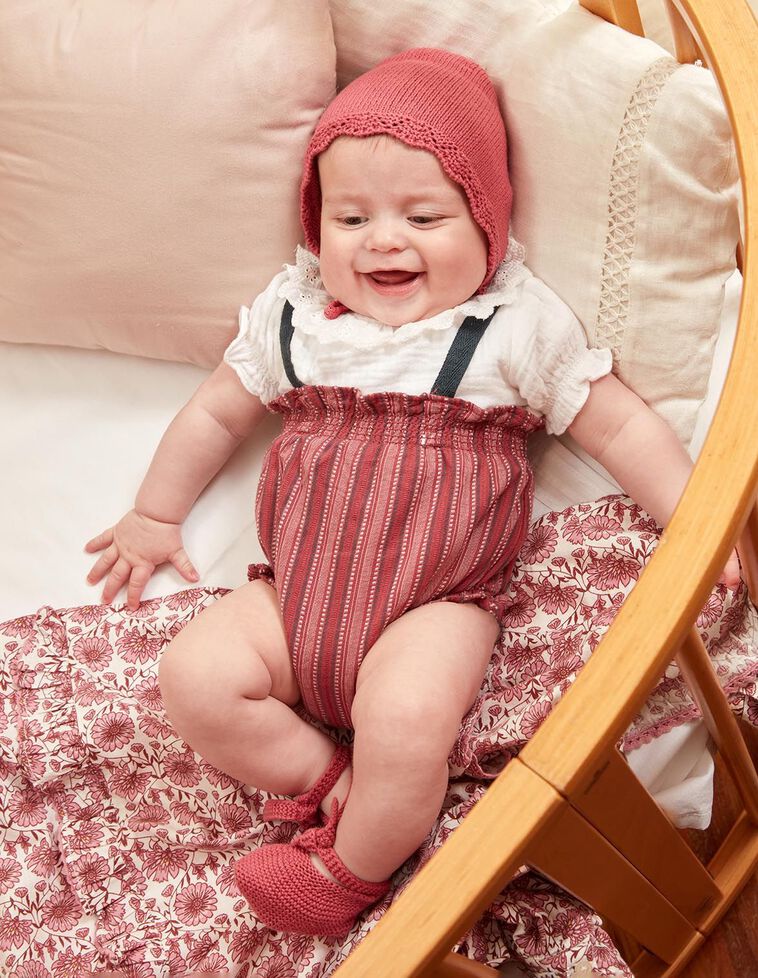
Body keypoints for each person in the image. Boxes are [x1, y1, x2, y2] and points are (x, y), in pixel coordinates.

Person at [84, 48, 739, 938]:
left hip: (436, 603)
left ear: (488, 226)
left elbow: (619, 428)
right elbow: (213, 413)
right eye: (351, 217)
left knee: (407, 719)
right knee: (192, 679)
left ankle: (347, 871)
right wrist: (153, 513)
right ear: (317, 227)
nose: (384, 240)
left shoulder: (509, 326)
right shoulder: (293, 317)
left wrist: (698, 522)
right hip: (294, 596)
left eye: (424, 216)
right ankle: (326, 779)